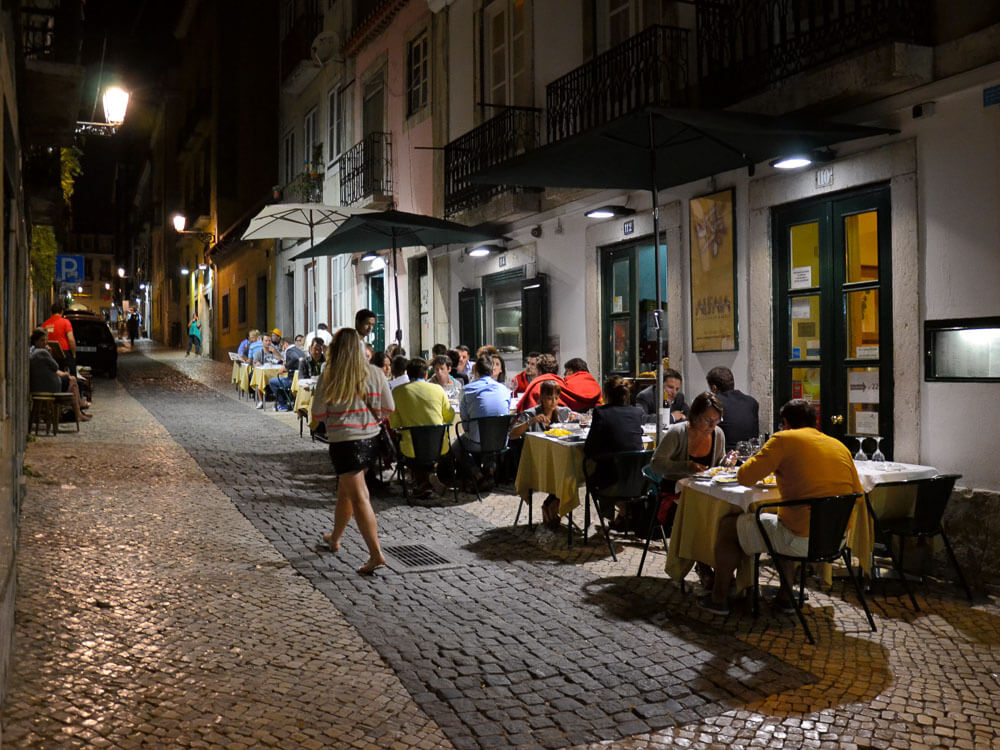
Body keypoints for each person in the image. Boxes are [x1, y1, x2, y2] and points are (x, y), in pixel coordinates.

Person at [702, 399, 864, 615]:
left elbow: (744, 476)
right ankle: (785, 597)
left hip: (799, 541)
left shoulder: (783, 439)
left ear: (785, 423)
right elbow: (859, 495)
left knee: (729, 527)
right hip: (836, 540)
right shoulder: (838, 446)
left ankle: (718, 598)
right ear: (814, 422)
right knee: (783, 520)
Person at [311, 328, 394, 575]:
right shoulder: (376, 372)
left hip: (345, 442)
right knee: (346, 492)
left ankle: (376, 553)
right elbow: (389, 407)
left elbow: (317, 414)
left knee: (359, 497)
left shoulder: (330, 375)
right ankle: (335, 537)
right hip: (370, 441)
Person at [509, 379, 578, 527]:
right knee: (565, 472)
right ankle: (552, 505)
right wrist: (530, 422)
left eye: (556, 398)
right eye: (549, 398)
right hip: (538, 463)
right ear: (541, 398)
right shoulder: (530, 414)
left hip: (558, 460)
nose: (553, 402)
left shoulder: (563, 412)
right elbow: (512, 434)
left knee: (571, 471)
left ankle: (552, 503)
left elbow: (585, 418)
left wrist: (577, 419)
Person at [584, 376, 645, 530]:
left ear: (605, 395)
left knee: (591, 469)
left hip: (611, 483)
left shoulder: (601, 413)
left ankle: (620, 512)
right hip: (638, 482)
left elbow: (589, 449)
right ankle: (624, 512)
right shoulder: (637, 412)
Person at [389, 358, 455, 498]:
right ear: (426, 375)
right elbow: (449, 416)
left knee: (406, 446)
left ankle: (424, 482)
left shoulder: (398, 392)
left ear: (408, 373)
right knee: (426, 452)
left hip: (412, 447)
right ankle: (427, 480)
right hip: (437, 446)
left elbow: (394, 423)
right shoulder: (438, 390)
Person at [446, 355, 511, 489]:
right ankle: (490, 471)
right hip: (500, 441)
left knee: (456, 446)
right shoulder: (505, 390)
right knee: (489, 440)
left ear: (476, 371)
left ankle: (477, 475)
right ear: (492, 370)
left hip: (476, 441)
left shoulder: (467, 390)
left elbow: (465, 423)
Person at [649, 390, 726, 483]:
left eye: (717, 420)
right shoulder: (678, 432)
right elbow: (656, 464)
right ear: (695, 416)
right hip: (675, 489)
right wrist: (686, 467)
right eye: (708, 420)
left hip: (705, 490)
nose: (713, 426)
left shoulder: (718, 434)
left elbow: (718, 466)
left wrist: (726, 462)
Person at [29, 329, 90, 422]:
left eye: (45, 340)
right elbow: (55, 366)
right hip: (50, 387)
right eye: (42, 340)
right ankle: (79, 411)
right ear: (35, 341)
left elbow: (50, 368)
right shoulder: (43, 352)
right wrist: (49, 353)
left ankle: (78, 412)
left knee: (72, 381)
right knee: (73, 383)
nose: (45, 342)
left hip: (42, 384)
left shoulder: (33, 351)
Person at [706, 366, 760, 452]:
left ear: (714, 388)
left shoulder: (715, 404)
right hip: (751, 456)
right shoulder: (752, 402)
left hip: (726, 457)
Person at [41, 301, 77, 374]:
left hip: (49, 354)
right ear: (62, 311)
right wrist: (73, 354)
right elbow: (71, 339)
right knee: (70, 376)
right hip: (64, 353)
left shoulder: (45, 324)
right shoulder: (66, 322)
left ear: (51, 312)